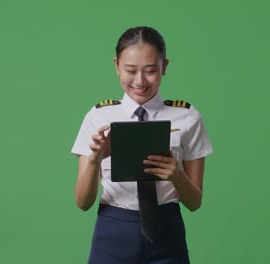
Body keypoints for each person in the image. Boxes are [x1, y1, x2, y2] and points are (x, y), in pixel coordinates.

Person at [71, 26, 213, 264]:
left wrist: (177, 176)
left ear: (164, 67)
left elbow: (195, 202)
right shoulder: (98, 117)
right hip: (113, 231)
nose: (140, 81)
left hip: (167, 231)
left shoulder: (188, 117)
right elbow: (83, 203)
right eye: (130, 70)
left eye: (150, 71)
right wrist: (95, 159)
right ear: (116, 65)